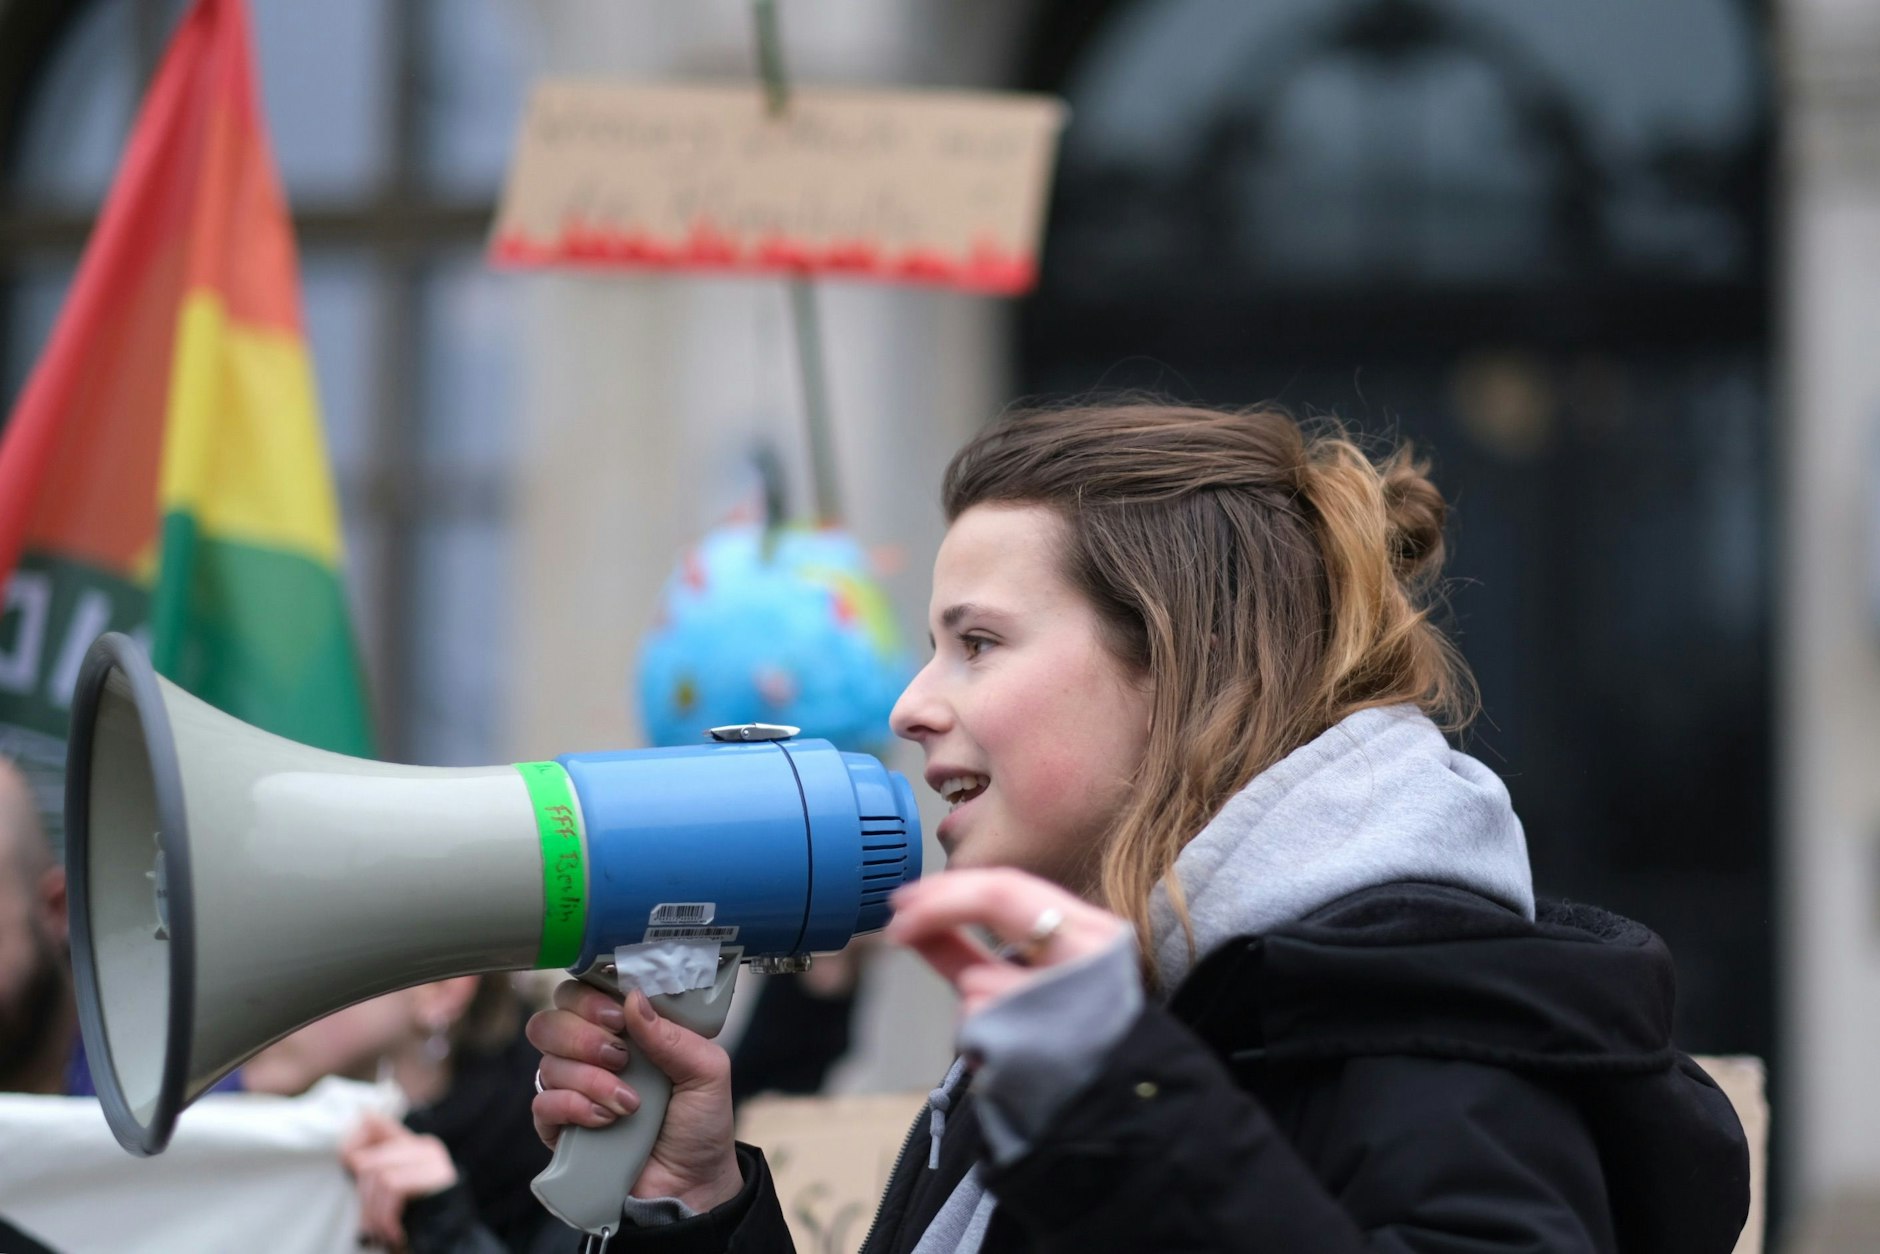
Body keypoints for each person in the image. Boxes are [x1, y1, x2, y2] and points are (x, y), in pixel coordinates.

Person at [527, 401, 1751, 1252]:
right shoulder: (1108, 1029)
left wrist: (1116, 1101)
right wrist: (696, 1210)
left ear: (1180, 669)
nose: (910, 705)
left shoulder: (1435, 1025)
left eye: (978, 642)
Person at [246, 975, 571, 1253]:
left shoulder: (566, 1160)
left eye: (308, 971)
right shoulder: (247, 1124)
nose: (257, 999)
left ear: (439, 990)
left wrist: (447, 1234)